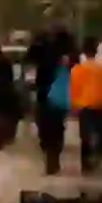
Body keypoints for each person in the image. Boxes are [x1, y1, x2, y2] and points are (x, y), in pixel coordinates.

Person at [25, 11, 77, 175]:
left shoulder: (66, 39)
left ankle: (52, 156)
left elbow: (75, 61)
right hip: (45, 87)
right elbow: (29, 60)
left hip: (57, 87)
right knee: (46, 123)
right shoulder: (41, 40)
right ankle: (50, 154)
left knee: (54, 124)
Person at [70, 38, 102, 174]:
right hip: (101, 106)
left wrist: (73, 107)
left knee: (85, 136)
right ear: (96, 51)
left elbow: (74, 90)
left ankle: (86, 165)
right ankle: (98, 159)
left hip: (85, 107)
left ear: (84, 52)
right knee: (101, 133)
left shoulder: (77, 70)